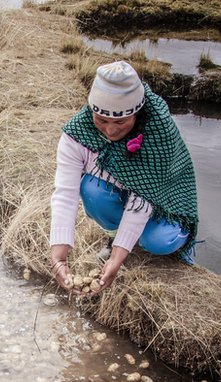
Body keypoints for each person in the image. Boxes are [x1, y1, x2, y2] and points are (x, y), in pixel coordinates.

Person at [49, 60, 199, 294]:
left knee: (159, 241)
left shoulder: (158, 133)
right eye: (101, 120)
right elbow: (65, 194)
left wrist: (118, 258)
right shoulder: (76, 134)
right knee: (91, 189)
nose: (110, 130)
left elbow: (143, 199)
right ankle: (117, 237)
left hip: (163, 203)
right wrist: (59, 254)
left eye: (120, 122)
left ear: (136, 114)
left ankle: (158, 240)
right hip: (121, 193)